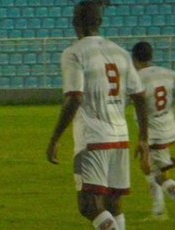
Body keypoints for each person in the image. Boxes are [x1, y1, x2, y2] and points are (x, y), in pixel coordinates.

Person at [46, 1, 150, 230]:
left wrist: (55, 139)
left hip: (93, 138)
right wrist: (143, 138)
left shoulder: (74, 53)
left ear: (75, 23)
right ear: (100, 22)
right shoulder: (120, 53)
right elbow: (141, 98)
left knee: (88, 205)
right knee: (113, 203)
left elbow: (75, 97)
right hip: (120, 138)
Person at [132, 41, 175, 220]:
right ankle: (158, 210)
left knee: (156, 173)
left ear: (134, 59)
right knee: (153, 167)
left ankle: (160, 208)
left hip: (152, 131)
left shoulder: (137, 78)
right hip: (169, 126)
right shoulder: (168, 73)